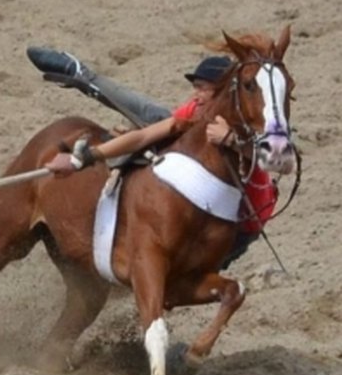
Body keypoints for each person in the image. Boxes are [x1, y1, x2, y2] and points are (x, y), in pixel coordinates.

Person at [27, 47, 278, 270]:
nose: (195, 95)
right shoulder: (196, 110)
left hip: (236, 226)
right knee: (154, 117)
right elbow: (146, 135)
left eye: (203, 88)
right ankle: (81, 75)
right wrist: (91, 156)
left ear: (223, 93)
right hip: (199, 205)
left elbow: (277, 161)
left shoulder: (247, 121)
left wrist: (230, 140)